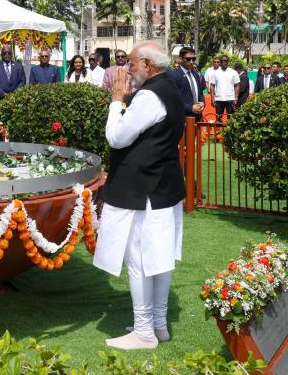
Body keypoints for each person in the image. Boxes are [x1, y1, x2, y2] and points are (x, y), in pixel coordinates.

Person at [93, 41, 185, 350]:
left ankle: (145, 330)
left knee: (140, 259)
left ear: (147, 64)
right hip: (163, 186)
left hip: (144, 188)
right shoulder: (172, 87)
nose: (128, 69)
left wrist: (116, 101)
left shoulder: (148, 95)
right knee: (159, 258)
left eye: (132, 64)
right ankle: (157, 324)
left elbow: (116, 138)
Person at [167, 46, 204, 119]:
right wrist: (190, 108)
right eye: (188, 59)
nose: (191, 61)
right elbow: (173, 99)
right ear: (180, 59)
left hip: (198, 116)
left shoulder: (196, 74)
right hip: (183, 117)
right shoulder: (174, 76)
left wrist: (202, 103)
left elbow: (200, 93)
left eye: (193, 59)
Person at [209, 56, 240, 120]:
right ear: (220, 62)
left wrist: (236, 98)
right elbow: (212, 86)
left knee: (231, 118)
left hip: (230, 99)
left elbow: (237, 85)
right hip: (219, 99)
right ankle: (218, 130)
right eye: (222, 61)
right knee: (218, 118)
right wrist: (212, 98)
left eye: (225, 61)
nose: (224, 62)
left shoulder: (233, 72)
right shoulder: (215, 73)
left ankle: (230, 130)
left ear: (228, 62)